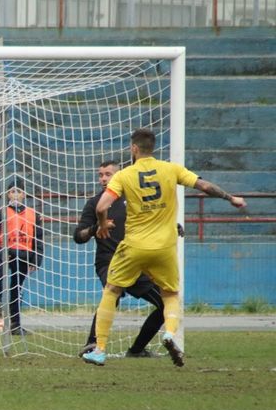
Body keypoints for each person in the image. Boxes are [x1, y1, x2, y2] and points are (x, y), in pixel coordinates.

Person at [82, 129, 246, 367]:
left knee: (112, 291)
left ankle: (100, 349)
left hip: (134, 245)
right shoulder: (171, 169)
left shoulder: (125, 175)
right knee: (169, 294)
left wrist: (102, 224)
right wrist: (231, 198)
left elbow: (101, 206)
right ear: (153, 148)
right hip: (164, 246)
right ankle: (169, 333)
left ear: (134, 149)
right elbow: (204, 185)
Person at [74, 160, 165, 358]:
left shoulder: (136, 200)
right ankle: (91, 344)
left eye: (108, 174)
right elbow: (78, 236)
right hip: (108, 262)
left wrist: (172, 228)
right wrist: (94, 229)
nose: (103, 178)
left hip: (135, 261)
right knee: (112, 293)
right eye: (100, 175)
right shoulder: (95, 204)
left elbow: (154, 223)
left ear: (119, 176)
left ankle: (137, 350)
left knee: (166, 304)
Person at [0, 179, 43, 335]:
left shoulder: (33, 214)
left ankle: (15, 325)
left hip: (24, 255)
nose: (15, 194)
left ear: (24, 194)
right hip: (5, 253)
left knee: (17, 289)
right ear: (8, 194)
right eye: (12, 191)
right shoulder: (0, 212)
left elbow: (38, 239)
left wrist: (36, 259)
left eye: (19, 191)